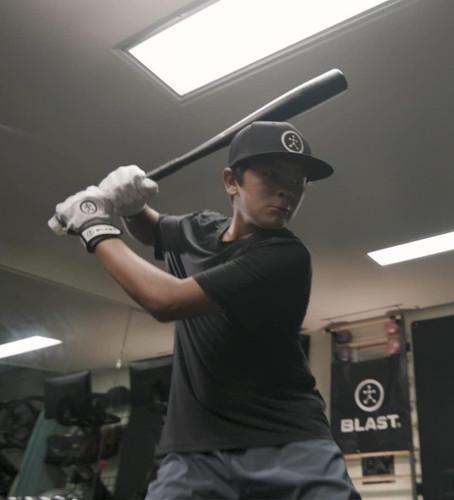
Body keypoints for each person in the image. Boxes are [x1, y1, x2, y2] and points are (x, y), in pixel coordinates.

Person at [49, 121, 360, 499]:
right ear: (231, 181)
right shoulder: (200, 228)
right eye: (271, 174)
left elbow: (166, 301)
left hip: (290, 444)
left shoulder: (285, 256)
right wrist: (132, 207)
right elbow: (154, 231)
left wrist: (93, 225)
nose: (287, 190)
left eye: (297, 181)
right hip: (194, 454)